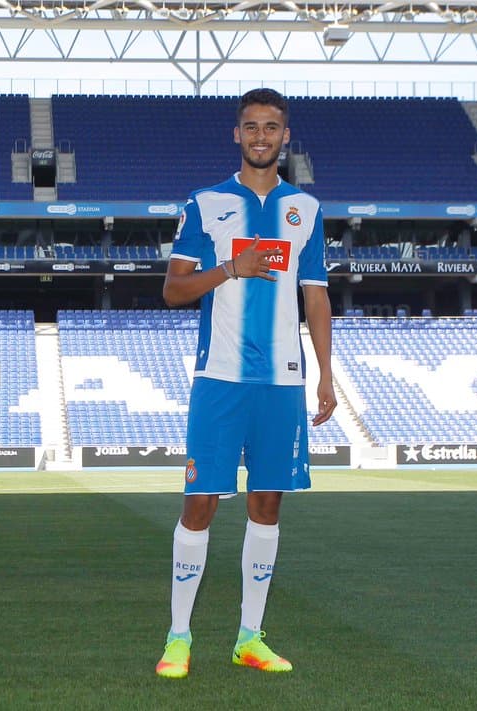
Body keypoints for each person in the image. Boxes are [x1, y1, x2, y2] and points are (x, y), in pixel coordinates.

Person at [155, 88, 336, 679]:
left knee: (266, 506)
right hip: (220, 379)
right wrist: (232, 267)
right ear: (237, 134)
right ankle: (178, 637)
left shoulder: (305, 210)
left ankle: (249, 637)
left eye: (272, 127)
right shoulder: (206, 203)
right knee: (200, 502)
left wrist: (326, 376)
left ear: (287, 136)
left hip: (282, 382)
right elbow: (174, 290)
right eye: (252, 126)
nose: (262, 136)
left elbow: (316, 296)